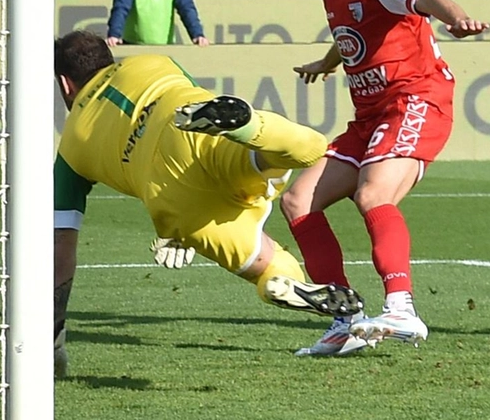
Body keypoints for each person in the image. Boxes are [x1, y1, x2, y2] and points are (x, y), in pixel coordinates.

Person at [54, 31, 367, 377]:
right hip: (189, 131)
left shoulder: (69, 148)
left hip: (172, 198)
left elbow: (60, 249)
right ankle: (249, 125)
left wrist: (53, 339)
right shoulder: (154, 61)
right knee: (293, 152)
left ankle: (286, 282)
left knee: (264, 264)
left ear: (65, 84)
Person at [279, 0, 488, 356]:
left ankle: (401, 309)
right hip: (371, 113)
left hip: (417, 97)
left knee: (372, 192)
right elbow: (357, 29)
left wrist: (456, 17)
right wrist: (330, 60)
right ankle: (345, 317)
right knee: (297, 201)